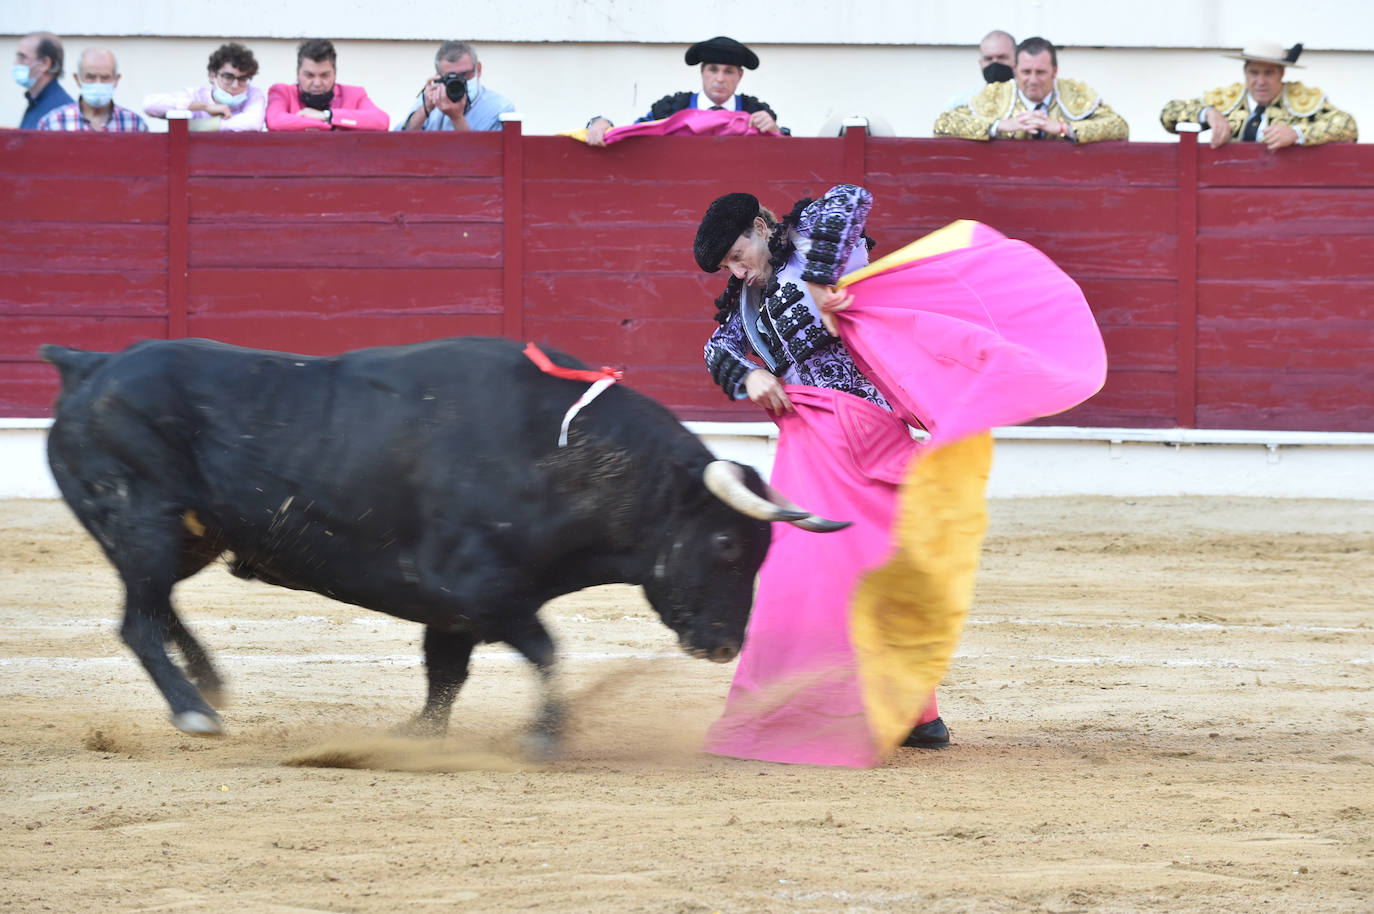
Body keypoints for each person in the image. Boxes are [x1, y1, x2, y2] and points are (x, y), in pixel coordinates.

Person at [693, 185, 951, 763]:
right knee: (806, 571)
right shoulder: (744, 305)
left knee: (882, 563)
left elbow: (851, 197)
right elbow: (715, 349)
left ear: (761, 226)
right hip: (808, 443)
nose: (737, 272)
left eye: (739, 255)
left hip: (868, 426)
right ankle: (830, 706)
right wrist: (747, 377)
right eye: (728, 266)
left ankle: (916, 710)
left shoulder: (812, 245)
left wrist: (819, 275)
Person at [585, 36, 785, 146]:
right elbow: (635, 132)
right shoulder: (672, 108)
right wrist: (602, 124)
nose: (720, 78)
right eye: (713, 70)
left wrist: (775, 131)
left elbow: (788, 149)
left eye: (729, 71)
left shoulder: (755, 111)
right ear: (702, 72)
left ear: (739, 76)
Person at [1159, 40, 1357, 150]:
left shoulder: (1302, 100)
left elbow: (1348, 126)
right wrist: (1207, 113)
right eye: (1254, 73)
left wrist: (1296, 133)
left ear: (1282, 74)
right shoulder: (1229, 100)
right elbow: (1169, 114)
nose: (1260, 81)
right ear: (1245, 73)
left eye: (1268, 73)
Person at [934, 36, 1128, 143]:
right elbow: (942, 124)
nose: (1033, 80)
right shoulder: (994, 95)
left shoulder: (1075, 94)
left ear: (1055, 71)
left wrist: (1064, 128)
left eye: (1041, 72)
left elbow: (1119, 128)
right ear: (1015, 70)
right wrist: (998, 125)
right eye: (1026, 72)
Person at [265, 39, 388, 132]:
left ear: (335, 74)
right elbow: (275, 121)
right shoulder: (282, 93)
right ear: (298, 74)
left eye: (324, 76)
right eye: (309, 75)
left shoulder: (355, 95)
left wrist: (327, 116)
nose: (317, 83)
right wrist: (330, 126)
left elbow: (381, 121)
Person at [142, 42, 266, 132]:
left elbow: (252, 123)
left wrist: (203, 126)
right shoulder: (196, 95)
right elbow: (150, 104)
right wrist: (205, 107)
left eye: (242, 79)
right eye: (228, 77)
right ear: (213, 76)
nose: (235, 85)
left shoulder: (253, 94)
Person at [396, 40, 516, 132]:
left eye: (465, 75)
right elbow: (401, 141)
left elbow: (482, 157)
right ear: (439, 77)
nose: (460, 82)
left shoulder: (500, 108)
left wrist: (456, 117)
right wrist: (425, 109)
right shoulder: (431, 98)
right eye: (451, 77)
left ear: (478, 69)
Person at [37, 47, 147, 132]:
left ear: (116, 80)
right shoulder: (52, 124)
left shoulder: (135, 125)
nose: (98, 83)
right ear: (78, 79)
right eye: (90, 77)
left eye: (105, 77)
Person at [943, 30, 1016, 111]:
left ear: (1016, 59)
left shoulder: (1029, 100)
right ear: (981, 63)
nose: (995, 63)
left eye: (1002, 57)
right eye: (988, 59)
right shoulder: (962, 103)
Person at [14, 31, 74, 129]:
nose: (15, 63)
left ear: (45, 64)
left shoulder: (60, 111)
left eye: (22, 58)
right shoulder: (35, 101)